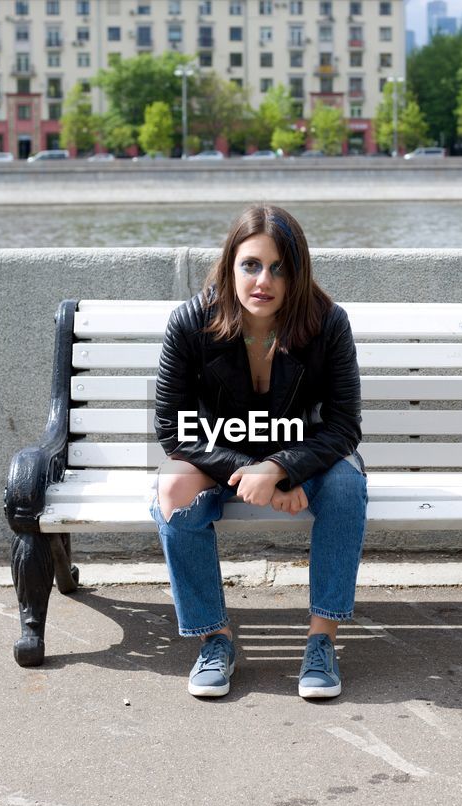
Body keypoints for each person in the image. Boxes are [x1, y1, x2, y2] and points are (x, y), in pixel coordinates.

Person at [150, 204, 368, 700]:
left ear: (297, 272)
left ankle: (321, 642)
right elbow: (172, 429)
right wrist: (253, 471)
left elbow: (343, 427)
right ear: (231, 265)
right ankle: (215, 641)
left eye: (278, 268)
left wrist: (282, 469)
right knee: (172, 488)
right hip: (220, 455)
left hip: (307, 455)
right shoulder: (191, 322)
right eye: (251, 264)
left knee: (347, 485)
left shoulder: (327, 323)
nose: (262, 280)